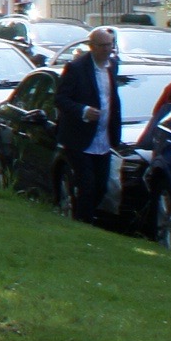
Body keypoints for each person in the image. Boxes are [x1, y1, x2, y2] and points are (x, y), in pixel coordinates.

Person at [53, 25, 125, 219]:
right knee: (87, 185)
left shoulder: (113, 66)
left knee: (101, 186)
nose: (107, 49)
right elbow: (60, 99)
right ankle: (82, 224)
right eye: (102, 46)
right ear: (91, 46)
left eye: (110, 45)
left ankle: (84, 218)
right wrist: (83, 110)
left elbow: (111, 98)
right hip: (80, 138)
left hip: (104, 137)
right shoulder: (76, 68)